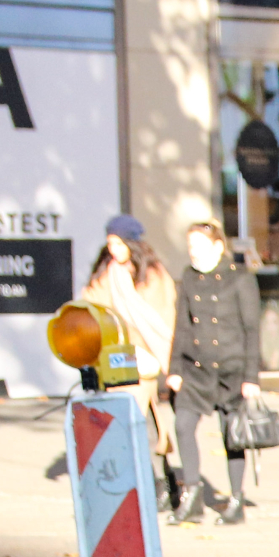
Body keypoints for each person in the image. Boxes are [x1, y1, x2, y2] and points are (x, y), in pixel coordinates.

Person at [164, 220, 264, 526]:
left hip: (231, 370)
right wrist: (174, 369)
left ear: (218, 247)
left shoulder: (239, 278)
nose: (193, 252)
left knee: (231, 437)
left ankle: (236, 501)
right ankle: (192, 496)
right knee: (183, 425)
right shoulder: (189, 278)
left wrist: (251, 378)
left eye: (199, 246)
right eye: (190, 246)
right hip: (196, 370)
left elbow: (251, 330)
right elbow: (182, 326)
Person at [83, 214, 179, 504]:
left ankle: (158, 481)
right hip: (118, 355)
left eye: (118, 242)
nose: (113, 248)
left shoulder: (153, 274)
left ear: (131, 242)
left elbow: (163, 316)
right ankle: (151, 479)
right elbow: (90, 304)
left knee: (140, 415)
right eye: (110, 242)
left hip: (146, 354)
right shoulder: (109, 273)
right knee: (129, 417)